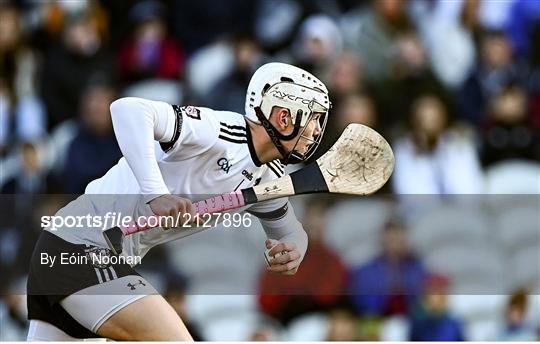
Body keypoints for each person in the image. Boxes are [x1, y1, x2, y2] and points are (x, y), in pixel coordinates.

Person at [26, 62, 331, 340]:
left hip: (77, 252)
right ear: (283, 116)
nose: (317, 131)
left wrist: (295, 248)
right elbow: (127, 110)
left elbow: (289, 230)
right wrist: (156, 193)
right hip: (82, 248)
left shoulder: (269, 177)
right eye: (314, 119)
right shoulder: (219, 131)